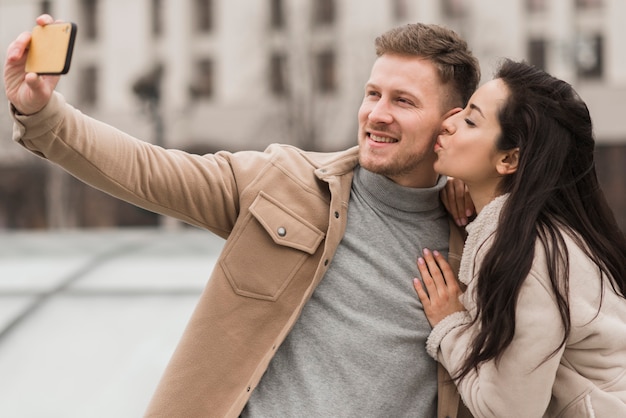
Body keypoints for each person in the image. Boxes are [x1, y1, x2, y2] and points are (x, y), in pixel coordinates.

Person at [4, 15, 480, 417]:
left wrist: (485, 186)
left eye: (403, 101)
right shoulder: (283, 182)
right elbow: (144, 170)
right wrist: (44, 115)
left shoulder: (484, 242)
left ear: (452, 122)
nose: (377, 114)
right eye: (373, 93)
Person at [413, 58, 626, 417]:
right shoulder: (536, 230)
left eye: (469, 120)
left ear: (509, 159)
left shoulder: (525, 255)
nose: (447, 124)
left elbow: (507, 410)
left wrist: (449, 326)